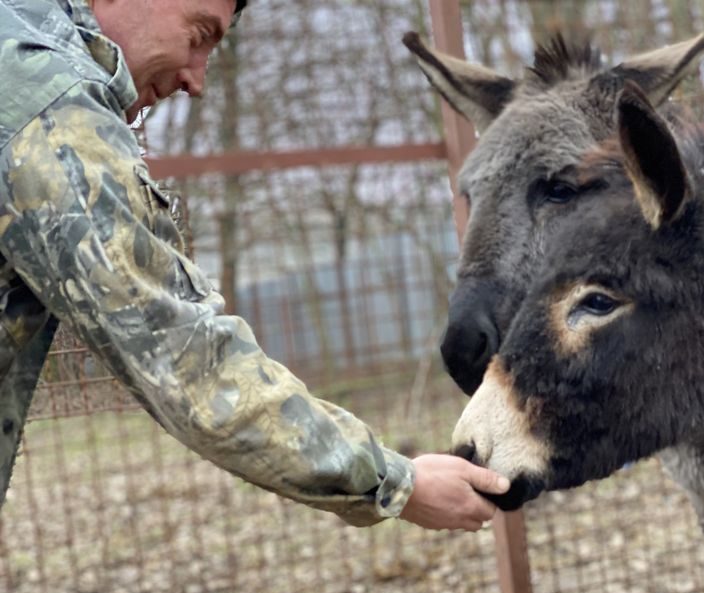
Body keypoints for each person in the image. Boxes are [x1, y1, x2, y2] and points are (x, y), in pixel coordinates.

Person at [0, 0, 507, 531]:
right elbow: (184, 357)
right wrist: (395, 482)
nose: (196, 80)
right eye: (198, 36)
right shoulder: (49, 103)